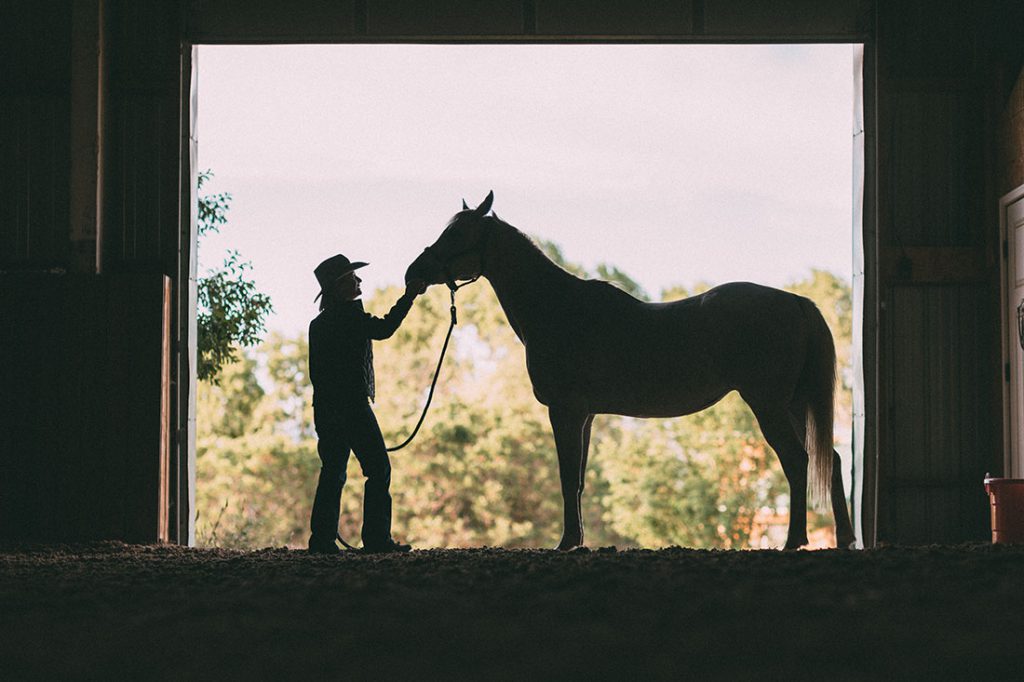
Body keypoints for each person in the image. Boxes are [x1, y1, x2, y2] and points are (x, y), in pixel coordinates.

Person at [307, 253, 427, 554]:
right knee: (378, 469)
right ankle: (376, 540)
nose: (358, 281)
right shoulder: (351, 318)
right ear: (339, 288)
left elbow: (318, 375)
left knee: (333, 472)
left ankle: (321, 541)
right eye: (351, 278)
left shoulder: (319, 324)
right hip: (354, 408)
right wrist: (409, 297)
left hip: (326, 410)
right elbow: (385, 328)